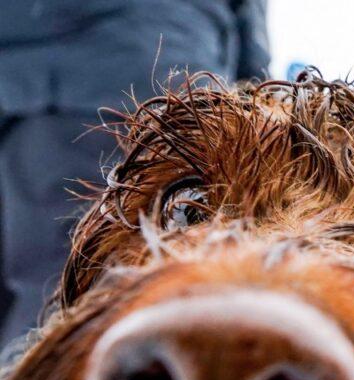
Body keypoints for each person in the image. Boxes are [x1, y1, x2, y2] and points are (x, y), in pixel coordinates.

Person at [0, 0, 270, 347]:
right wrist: (248, 110)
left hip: (82, 83)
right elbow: (252, 40)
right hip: (174, 83)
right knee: (96, 286)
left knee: (71, 295)